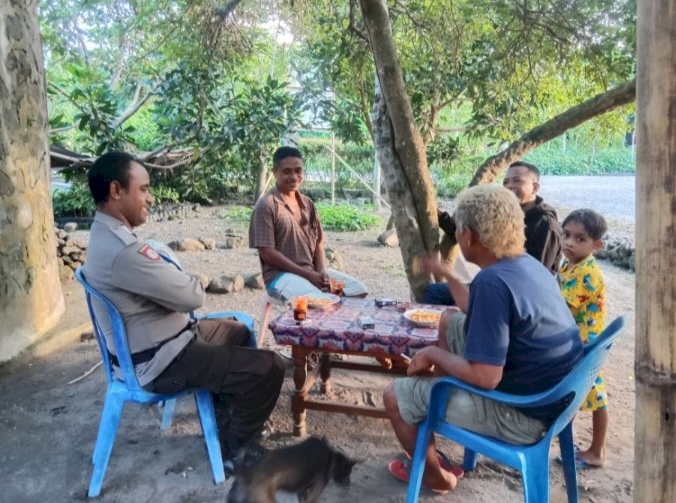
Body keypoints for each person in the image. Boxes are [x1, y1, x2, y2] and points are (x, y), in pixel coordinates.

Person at [82, 151, 284, 472]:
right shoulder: (124, 251)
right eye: (144, 189)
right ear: (116, 191)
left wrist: (171, 289)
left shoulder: (106, 236)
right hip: (163, 361)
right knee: (270, 367)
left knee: (238, 330)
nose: (149, 198)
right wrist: (176, 287)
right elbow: (192, 295)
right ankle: (238, 450)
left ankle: (225, 421)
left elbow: (179, 293)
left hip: (167, 340)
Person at [383, 184, 583, 494]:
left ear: (468, 235)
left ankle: (438, 478)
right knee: (449, 320)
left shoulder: (493, 282)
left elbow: (486, 377)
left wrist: (433, 356)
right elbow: (472, 309)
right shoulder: (526, 265)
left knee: (394, 396)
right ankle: (439, 400)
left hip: (522, 415)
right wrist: (447, 274)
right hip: (555, 396)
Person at [424, 160, 563, 304]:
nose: (509, 186)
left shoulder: (546, 225)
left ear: (535, 187)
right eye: (506, 181)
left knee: (440, 298)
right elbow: (469, 232)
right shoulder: (506, 212)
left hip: (515, 295)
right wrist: (436, 214)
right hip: (497, 281)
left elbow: (536, 279)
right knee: (434, 292)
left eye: (517, 181)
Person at [249, 146, 367, 301]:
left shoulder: (308, 204)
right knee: (322, 301)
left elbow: (318, 243)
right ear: (275, 172)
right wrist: (308, 275)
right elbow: (267, 253)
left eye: (298, 170)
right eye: (287, 171)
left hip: (311, 272)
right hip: (280, 277)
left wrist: (321, 273)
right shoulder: (266, 205)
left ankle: (333, 322)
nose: (294, 176)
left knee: (358, 290)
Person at [557, 209, 609, 468]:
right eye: (566, 235)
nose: (569, 242)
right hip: (575, 339)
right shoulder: (569, 264)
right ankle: (571, 441)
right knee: (581, 391)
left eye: (580, 239)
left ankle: (598, 451)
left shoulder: (586, 273)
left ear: (596, 245)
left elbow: (562, 309)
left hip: (585, 344)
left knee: (596, 395)